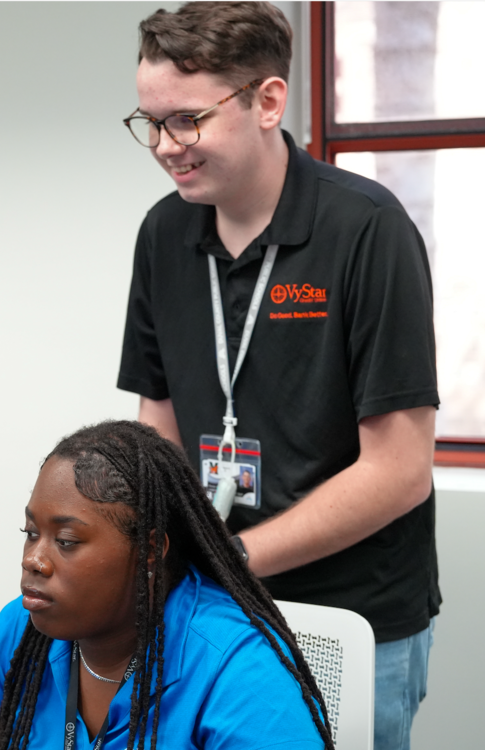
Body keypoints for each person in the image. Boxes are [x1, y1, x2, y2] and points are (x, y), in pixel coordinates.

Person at [115, 4, 439, 750]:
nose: (166, 147)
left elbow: (398, 472)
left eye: (188, 120)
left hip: (352, 614)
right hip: (212, 604)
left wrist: (225, 558)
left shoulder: (366, 229)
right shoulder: (164, 234)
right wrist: (159, 545)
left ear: (267, 101)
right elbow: (156, 417)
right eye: (150, 122)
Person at [0, 421, 330, 750]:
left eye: (66, 541)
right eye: (30, 533)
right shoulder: (23, 628)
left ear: (150, 552)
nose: (33, 560)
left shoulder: (238, 667)